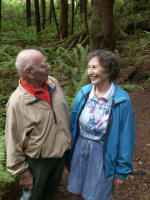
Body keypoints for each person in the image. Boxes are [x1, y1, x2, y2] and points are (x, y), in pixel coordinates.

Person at [67, 49, 136, 200]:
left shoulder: (121, 100)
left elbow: (126, 137)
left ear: (108, 70)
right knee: (78, 192)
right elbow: (73, 125)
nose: (90, 72)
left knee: (97, 195)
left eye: (94, 67)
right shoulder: (84, 93)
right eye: (89, 67)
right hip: (80, 150)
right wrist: (68, 154)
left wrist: (121, 171)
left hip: (104, 155)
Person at [5, 49, 71, 200]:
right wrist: (23, 172)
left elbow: (63, 116)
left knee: (49, 194)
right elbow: (12, 141)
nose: (49, 67)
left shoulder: (53, 83)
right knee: (32, 197)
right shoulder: (17, 103)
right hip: (38, 163)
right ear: (29, 72)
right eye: (43, 65)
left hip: (59, 156)